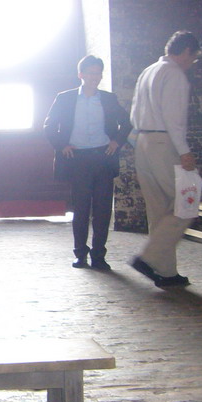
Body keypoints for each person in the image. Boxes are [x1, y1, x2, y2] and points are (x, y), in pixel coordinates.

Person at [44, 55, 132, 270]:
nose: (95, 77)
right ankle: (80, 254)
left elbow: (127, 122)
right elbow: (48, 125)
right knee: (81, 208)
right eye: (91, 73)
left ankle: (99, 256)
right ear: (81, 74)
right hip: (78, 159)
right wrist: (61, 145)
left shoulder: (108, 99)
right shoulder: (65, 98)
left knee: (103, 210)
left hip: (103, 157)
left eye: (98, 73)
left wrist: (116, 142)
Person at [129, 30, 202, 288]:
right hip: (163, 143)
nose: (192, 63)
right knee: (186, 202)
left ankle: (166, 272)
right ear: (185, 52)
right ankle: (148, 258)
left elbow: (134, 113)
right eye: (193, 58)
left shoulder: (148, 71)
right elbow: (174, 118)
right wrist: (184, 151)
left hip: (142, 142)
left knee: (158, 209)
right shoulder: (174, 75)